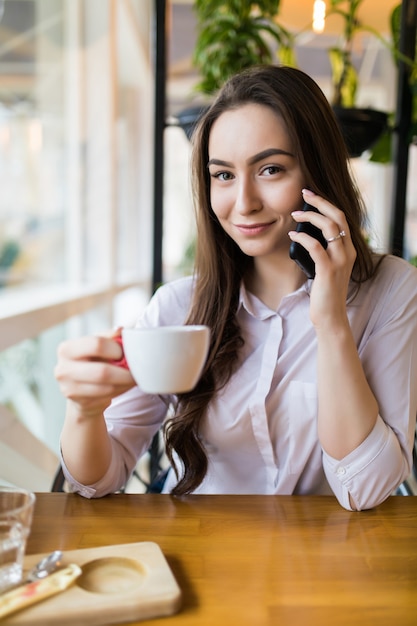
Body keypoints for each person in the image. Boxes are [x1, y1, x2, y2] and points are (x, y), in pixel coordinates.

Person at [55, 65, 417, 511]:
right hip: (197, 551)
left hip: (320, 564)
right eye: (223, 175)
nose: (243, 203)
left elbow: (364, 490)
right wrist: (84, 411)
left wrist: (331, 323)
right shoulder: (178, 305)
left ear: (318, 171)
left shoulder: (392, 290)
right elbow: (98, 481)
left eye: (270, 169)